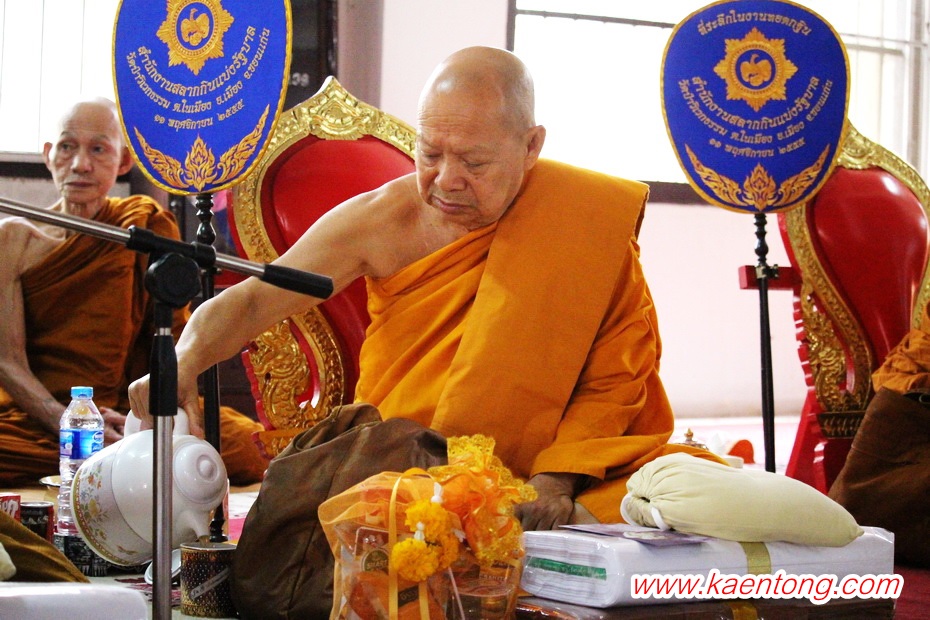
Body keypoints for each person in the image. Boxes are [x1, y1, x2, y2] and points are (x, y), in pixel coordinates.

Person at [130, 47, 720, 529]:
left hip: (557, 472)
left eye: (475, 163)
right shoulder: (382, 221)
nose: (446, 180)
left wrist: (556, 479)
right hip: (411, 469)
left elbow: (617, 373)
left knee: (689, 500)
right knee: (383, 521)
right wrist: (183, 360)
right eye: (430, 153)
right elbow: (257, 299)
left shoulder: (584, 220)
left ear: (531, 147)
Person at [0, 97, 268, 486]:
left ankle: (127, 453)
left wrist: (142, 417)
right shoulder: (14, 239)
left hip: (127, 409)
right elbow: (7, 362)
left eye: (98, 149)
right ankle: (116, 458)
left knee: (249, 444)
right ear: (48, 154)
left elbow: (173, 339)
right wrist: (72, 425)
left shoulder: (141, 225)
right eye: (67, 147)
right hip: (39, 416)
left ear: (123, 161)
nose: (80, 165)